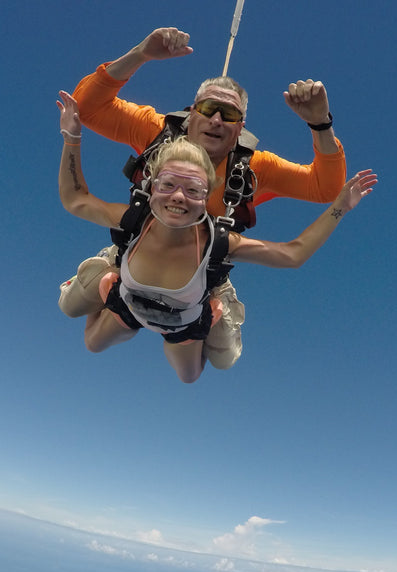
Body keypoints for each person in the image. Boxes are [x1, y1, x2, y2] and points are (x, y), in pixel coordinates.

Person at [59, 27, 348, 370]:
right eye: (209, 108)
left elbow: (324, 188)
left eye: (229, 115)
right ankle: (113, 288)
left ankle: (196, 321)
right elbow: (87, 109)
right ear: (192, 111)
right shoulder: (156, 132)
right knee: (75, 313)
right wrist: (140, 54)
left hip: (204, 275)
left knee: (222, 360)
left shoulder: (254, 169)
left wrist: (320, 125)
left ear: (240, 129)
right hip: (137, 251)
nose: (216, 120)